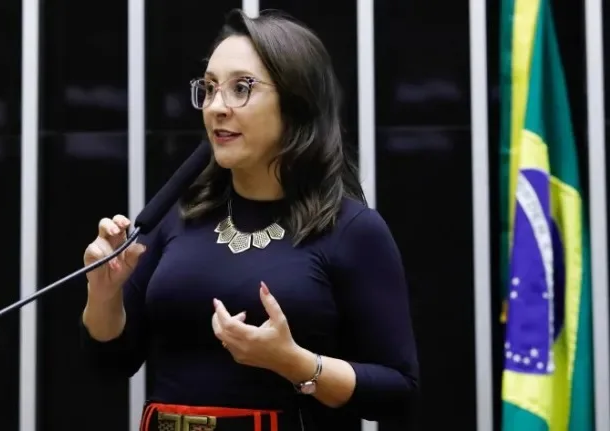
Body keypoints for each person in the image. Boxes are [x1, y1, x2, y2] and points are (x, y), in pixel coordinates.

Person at [80, 8, 419, 431]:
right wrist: (104, 292)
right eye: (208, 89)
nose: (216, 107)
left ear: (296, 103)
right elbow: (110, 364)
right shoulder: (175, 216)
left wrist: (294, 363)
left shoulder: (352, 230)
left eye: (241, 88)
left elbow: (398, 390)